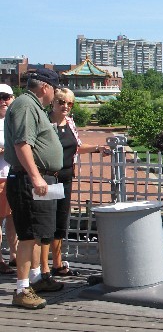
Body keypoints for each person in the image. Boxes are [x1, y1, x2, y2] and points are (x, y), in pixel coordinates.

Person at [4, 68, 64, 309]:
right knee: (29, 237)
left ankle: (36, 280)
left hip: (37, 180)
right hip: (29, 181)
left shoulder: (32, 107)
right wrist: (37, 177)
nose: (56, 94)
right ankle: (22, 289)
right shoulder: (25, 106)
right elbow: (22, 144)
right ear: (46, 88)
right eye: (55, 89)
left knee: (39, 234)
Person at [39, 88, 110, 277]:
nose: (65, 106)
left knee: (61, 221)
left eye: (69, 103)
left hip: (66, 176)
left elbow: (77, 147)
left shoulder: (70, 123)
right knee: (48, 222)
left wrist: (97, 148)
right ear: (53, 102)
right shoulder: (45, 123)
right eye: (61, 102)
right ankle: (44, 268)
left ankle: (57, 263)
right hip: (50, 177)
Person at [0, 84, 18, 274]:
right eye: (0, 97)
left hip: (14, 175)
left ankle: (14, 255)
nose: (3, 101)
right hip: (0, 177)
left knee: (13, 218)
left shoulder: (14, 121)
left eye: (7, 97)